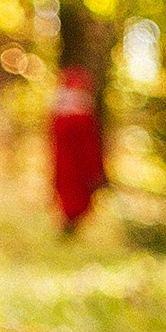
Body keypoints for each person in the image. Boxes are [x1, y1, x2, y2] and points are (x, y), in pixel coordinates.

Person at [51, 62, 106, 234]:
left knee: (74, 193)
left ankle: (71, 224)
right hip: (73, 162)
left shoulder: (60, 112)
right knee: (74, 194)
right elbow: (88, 142)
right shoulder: (79, 114)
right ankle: (70, 224)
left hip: (69, 162)